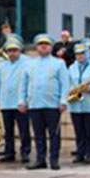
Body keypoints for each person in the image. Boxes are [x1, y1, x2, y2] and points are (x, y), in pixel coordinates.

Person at [24, 34, 70, 169]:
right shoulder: (30, 63)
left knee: (54, 134)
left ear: (51, 47)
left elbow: (65, 83)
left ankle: (54, 159)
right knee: (38, 135)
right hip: (35, 103)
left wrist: (63, 101)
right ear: (37, 47)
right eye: (40, 44)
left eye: (46, 44)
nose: (43, 46)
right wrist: (22, 100)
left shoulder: (59, 63)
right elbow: (25, 83)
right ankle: (40, 159)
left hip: (52, 104)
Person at [0, 38, 31, 163]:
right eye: (9, 51)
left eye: (15, 50)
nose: (12, 53)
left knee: (23, 129)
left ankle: (25, 152)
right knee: (8, 130)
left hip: (20, 102)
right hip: (6, 101)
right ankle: (9, 152)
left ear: (19, 51)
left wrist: (26, 100)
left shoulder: (27, 63)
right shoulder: (2, 65)